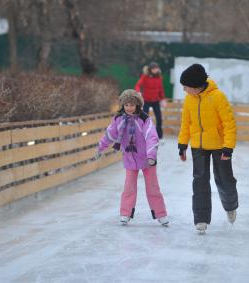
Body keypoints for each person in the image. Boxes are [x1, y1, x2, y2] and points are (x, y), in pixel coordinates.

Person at [177, 64, 238, 235]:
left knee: (225, 180)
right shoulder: (189, 99)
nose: (184, 89)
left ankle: (230, 206)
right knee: (200, 182)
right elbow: (186, 124)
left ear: (196, 86)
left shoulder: (218, 97)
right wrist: (182, 144)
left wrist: (228, 147)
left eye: (186, 86)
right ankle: (201, 218)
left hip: (220, 146)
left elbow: (229, 124)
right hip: (198, 146)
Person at [98, 89, 169, 226]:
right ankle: (125, 213)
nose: (129, 108)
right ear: (122, 105)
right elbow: (110, 134)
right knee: (129, 187)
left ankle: (161, 214)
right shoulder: (118, 119)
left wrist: (151, 155)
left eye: (132, 105)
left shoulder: (144, 119)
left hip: (147, 159)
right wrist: (100, 147)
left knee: (153, 187)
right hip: (130, 158)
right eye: (126, 105)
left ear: (137, 105)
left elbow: (151, 137)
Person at [135, 62, 166, 141]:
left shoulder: (159, 77)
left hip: (156, 100)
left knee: (159, 118)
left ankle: (160, 137)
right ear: (150, 69)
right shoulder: (145, 77)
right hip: (146, 100)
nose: (155, 70)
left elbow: (161, 89)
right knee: (144, 118)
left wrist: (162, 99)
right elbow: (138, 85)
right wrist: (138, 92)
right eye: (153, 69)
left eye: (156, 68)